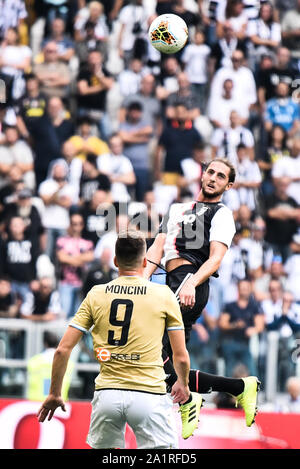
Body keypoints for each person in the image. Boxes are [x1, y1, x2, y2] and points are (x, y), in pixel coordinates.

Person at [37, 230, 195, 448]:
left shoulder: (96, 294)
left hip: (107, 395)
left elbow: (62, 350)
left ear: (114, 261)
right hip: (149, 395)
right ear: (144, 261)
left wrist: (55, 393)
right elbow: (181, 356)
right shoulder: (163, 295)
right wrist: (183, 383)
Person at [144, 158, 261, 428]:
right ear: (202, 174)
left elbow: (216, 258)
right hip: (169, 281)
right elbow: (156, 249)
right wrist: (140, 281)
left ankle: (191, 399)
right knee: (167, 364)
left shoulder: (222, 213)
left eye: (221, 176)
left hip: (189, 284)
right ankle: (237, 388)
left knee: (153, 352)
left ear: (229, 185)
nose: (213, 178)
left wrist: (190, 283)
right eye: (210, 172)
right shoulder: (177, 208)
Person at [219, 278, 265, 377]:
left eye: (246, 288)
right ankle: (228, 391)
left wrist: (253, 330)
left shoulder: (254, 306)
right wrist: (235, 325)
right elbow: (222, 324)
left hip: (246, 344)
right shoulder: (230, 306)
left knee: (252, 372)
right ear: (238, 289)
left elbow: (260, 325)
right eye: (242, 288)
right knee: (229, 373)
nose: (244, 290)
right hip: (231, 342)